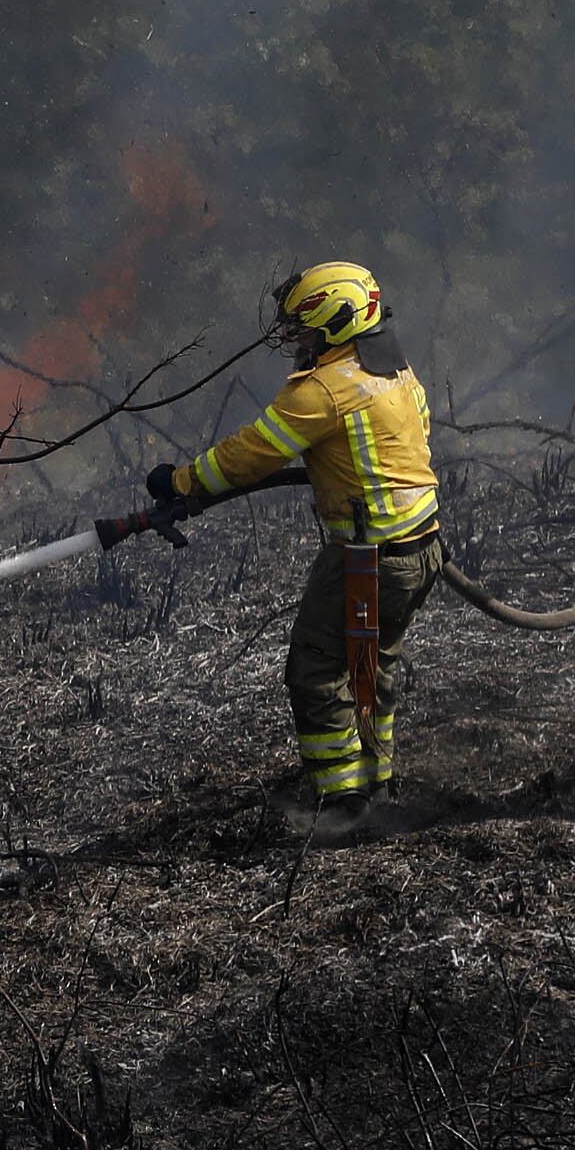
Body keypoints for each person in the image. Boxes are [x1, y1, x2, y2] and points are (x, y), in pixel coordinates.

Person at [144, 261, 440, 837]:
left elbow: (250, 455)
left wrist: (179, 483)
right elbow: (412, 436)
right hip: (421, 550)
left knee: (315, 669)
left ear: (334, 323)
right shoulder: (393, 370)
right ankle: (378, 781)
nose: (294, 339)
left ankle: (342, 806)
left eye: (303, 329)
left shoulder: (325, 391)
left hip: (368, 556)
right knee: (372, 665)